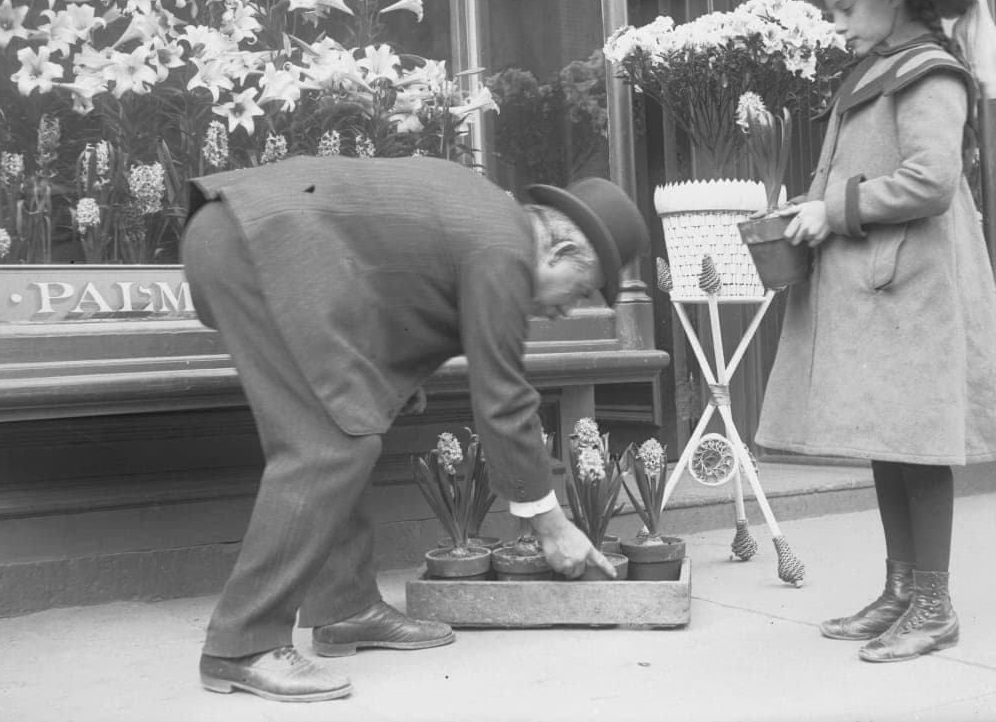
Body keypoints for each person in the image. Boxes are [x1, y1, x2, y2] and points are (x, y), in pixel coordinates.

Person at [180, 155, 648, 701]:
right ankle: (241, 645)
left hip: (254, 240)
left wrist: (388, 383)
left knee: (346, 428)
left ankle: (345, 607)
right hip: (256, 245)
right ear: (562, 250)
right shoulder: (505, 249)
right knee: (329, 443)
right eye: (582, 290)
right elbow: (502, 395)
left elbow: (394, 281)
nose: (571, 310)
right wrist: (550, 522)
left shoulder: (494, 224)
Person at [759, 0, 996, 663]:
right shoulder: (875, 72)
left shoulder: (930, 72)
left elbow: (932, 181)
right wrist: (805, 207)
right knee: (889, 439)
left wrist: (834, 209)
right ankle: (902, 589)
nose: (838, 25)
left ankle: (935, 605)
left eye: (846, 8)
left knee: (918, 441)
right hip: (880, 284)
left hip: (917, 288)